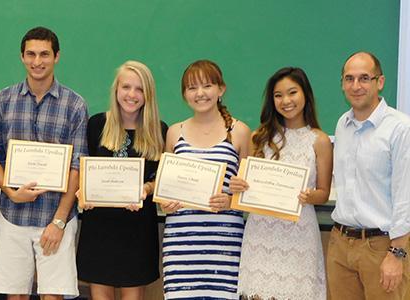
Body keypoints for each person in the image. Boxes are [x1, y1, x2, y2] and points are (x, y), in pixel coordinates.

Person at [0, 26, 88, 299]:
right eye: (31, 54)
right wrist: (10, 191)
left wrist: (60, 222)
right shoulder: (3, 100)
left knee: (52, 295)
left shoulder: (75, 104)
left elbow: (76, 166)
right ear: (22, 57)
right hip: (12, 216)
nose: (37, 61)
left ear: (57, 56)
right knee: (14, 294)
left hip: (55, 216)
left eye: (44, 54)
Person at [229, 67, 332, 299]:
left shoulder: (320, 140)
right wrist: (238, 186)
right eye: (278, 95)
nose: (286, 100)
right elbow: (245, 184)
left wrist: (309, 196)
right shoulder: (259, 137)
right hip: (261, 232)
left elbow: (323, 193)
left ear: (305, 94)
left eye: (292, 92)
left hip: (299, 233)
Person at [75, 60, 167, 300]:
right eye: (126, 87)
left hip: (137, 229)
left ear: (148, 95)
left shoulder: (159, 130)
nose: (132, 95)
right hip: (100, 226)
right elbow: (83, 170)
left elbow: (162, 179)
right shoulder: (96, 125)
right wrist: (83, 192)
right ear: (116, 90)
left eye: (139, 89)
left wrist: (146, 188)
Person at [159, 59, 250, 299]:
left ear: (221, 89)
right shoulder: (174, 132)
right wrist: (164, 204)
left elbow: (249, 193)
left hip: (225, 244)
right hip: (181, 245)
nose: (200, 93)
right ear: (184, 95)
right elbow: (164, 192)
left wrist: (231, 201)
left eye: (207, 85)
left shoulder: (240, 132)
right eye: (192, 88)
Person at [327, 51, 410, 300]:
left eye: (364, 78)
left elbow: (405, 196)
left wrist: (397, 254)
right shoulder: (343, 124)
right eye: (349, 79)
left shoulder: (400, 128)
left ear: (380, 82)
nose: (356, 86)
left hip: (382, 247)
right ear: (342, 84)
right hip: (340, 244)